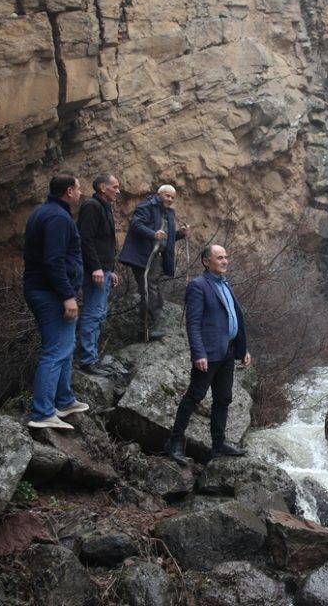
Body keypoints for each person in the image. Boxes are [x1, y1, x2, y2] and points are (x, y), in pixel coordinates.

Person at [162, 244, 252, 465]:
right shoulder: (198, 285)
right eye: (219, 257)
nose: (225, 261)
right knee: (194, 396)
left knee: (223, 399)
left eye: (226, 257)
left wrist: (243, 349)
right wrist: (198, 353)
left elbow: (234, 319)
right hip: (209, 354)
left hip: (228, 352)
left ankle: (218, 445)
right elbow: (193, 323)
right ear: (206, 261)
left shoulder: (225, 284)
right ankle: (173, 444)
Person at [22, 174, 91, 430]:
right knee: (55, 350)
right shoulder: (57, 218)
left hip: (44, 289)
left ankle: (63, 400)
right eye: (79, 188)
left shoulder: (45, 212)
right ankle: (42, 413)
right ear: (69, 191)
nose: (81, 193)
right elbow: (53, 260)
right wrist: (67, 296)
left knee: (65, 345)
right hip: (50, 293)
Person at [117, 184, 190, 341]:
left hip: (155, 256)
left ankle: (150, 327)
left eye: (172, 197)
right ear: (159, 194)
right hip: (142, 255)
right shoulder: (147, 206)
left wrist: (180, 234)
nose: (170, 199)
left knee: (151, 288)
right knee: (149, 289)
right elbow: (136, 225)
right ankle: (149, 328)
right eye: (167, 195)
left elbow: (166, 237)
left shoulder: (168, 213)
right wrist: (152, 234)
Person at [76, 173, 121, 376]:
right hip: (94, 270)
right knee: (93, 314)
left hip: (103, 269)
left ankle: (91, 358)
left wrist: (109, 270)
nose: (118, 191)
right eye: (115, 187)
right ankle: (87, 361)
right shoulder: (92, 207)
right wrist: (96, 267)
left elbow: (104, 242)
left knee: (99, 314)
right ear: (103, 187)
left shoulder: (105, 207)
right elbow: (85, 239)